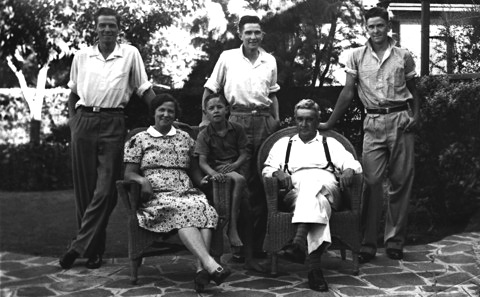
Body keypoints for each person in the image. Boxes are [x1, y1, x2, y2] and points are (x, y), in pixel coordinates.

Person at [319, 6, 420, 263]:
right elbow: (348, 92)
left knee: (400, 182)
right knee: (371, 183)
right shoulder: (355, 56)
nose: (375, 31)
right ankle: (368, 243)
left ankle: (395, 241)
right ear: (366, 28)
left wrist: (415, 115)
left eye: (380, 25)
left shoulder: (403, 56)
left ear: (388, 25)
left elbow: (414, 89)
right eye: (371, 26)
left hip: (400, 120)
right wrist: (329, 122)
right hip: (373, 121)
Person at [59, 7, 156, 270]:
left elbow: (143, 88)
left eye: (111, 26)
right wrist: (73, 122)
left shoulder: (130, 54)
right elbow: (73, 92)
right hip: (84, 122)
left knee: (105, 190)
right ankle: (93, 252)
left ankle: (78, 246)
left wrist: (162, 113)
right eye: (102, 26)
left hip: (114, 122)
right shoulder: (82, 56)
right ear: (95, 28)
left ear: (118, 29)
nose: (106, 30)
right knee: (85, 192)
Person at [123, 94, 231, 292]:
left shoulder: (185, 138)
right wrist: (141, 180)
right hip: (157, 195)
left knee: (202, 208)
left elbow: (195, 171)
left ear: (175, 115)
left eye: (170, 111)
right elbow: (129, 173)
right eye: (161, 110)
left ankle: (202, 270)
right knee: (184, 211)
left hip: (186, 190)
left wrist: (203, 181)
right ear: (153, 113)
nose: (166, 114)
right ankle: (210, 263)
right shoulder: (139, 139)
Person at [201, 15, 281, 258]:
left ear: (262, 34)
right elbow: (210, 89)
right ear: (240, 34)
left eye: (257, 32)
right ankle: (239, 245)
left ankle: (255, 246)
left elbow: (273, 94)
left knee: (263, 183)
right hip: (236, 120)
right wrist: (206, 121)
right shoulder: (227, 57)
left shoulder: (269, 60)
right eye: (248, 33)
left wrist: (276, 120)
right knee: (239, 183)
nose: (253, 37)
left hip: (265, 121)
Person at [263, 99, 362, 292]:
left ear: (317, 121)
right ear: (294, 120)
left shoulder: (329, 143)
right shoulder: (284, 144)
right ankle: (314, 266)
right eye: (299, 119)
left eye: (309, 119)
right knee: (318, 200)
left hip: (329, 187)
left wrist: (349, 169)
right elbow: (267, 169)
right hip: (296, 192)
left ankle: (299, 242)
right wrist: (277, 173)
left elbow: (354, 164)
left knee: (314, 184)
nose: (303, 124)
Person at [195, 93, 265, 272]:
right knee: (220, 207)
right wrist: (213, 173)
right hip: (217, 176)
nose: (216, 111)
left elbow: (244, 153)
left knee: (247, 207)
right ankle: (227, 236)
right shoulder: (204, 134)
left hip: (233, 169)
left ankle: (248, 256)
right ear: (206, 113)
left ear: (227, 109)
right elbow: (202, 162)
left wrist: (234, 165)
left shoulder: (237, 128)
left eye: (219, 107)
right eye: (211, 108)